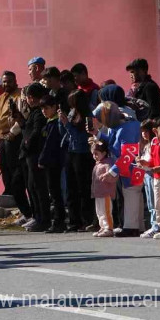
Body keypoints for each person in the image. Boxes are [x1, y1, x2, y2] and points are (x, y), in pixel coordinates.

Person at [91, 101, 142, 237]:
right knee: (133, 194)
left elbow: (128, 153)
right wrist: (98, 134)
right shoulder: (121, 125)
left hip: (134, 167)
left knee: (131, 193)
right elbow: (115, 142)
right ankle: (136, 225)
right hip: (129, 167)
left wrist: (113, 171)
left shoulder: (127, 128)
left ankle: (132, 227)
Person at [0, 71, 33, 225]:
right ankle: (23, 210)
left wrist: (12, 133)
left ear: (15, 81)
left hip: (14, 138)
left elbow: (22, 116)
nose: (6, 84)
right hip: (4, 138)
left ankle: (28, 211)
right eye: (4, 81)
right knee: (6, 171)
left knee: (17, 174)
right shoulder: (3, 97)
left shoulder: (20, 95)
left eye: (9, 81)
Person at [15, 83, 50, 232]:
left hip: (35, 154)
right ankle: (37, 216)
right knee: (31, 186)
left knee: (38, 187)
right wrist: (21, 121)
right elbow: (27, 129)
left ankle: (43, 219)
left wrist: (28, 143)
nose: (27, 100)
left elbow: (35, 132)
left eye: (29, 97)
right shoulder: (33, 112)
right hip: (29, 155)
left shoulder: (38, 113)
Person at [60, 90, 95, 232]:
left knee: (83, 188)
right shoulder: (72, 113)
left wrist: (67, 124)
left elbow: (81, 138)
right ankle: (74, 221)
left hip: (82, 154)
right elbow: (65, 133)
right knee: (70, 188)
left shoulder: (87, 116)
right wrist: (61, 122)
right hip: (70, 152)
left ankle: (86, 219)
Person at [38, 95, 66, 233]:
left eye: (47, 108)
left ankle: (58, 221)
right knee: (53, 192)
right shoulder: (49, 122)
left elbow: (50, 145)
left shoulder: (55, 123)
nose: (44, 111)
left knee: (55, 193)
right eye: (42, 108)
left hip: (53, 162)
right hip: (51, 161)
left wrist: (42, 160)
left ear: (54, 107)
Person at [90, 141, 118, 237]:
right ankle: (102, 227)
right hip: (98, 193)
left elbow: (114, 177)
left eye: (96, 153)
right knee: (99, 211)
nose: (94, 156)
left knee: (106, 211)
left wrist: (108, 177)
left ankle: (109, 228)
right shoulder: (98, 164)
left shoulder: (108, 164)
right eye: (93, 153)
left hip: (106, 193)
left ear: (104, 153)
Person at [138, 119, 160, 239]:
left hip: (152, 174)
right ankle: (153, 224)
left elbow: (153, 161)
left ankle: (156, 225)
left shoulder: (153, 144)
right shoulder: (146, 145)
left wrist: (145, 162)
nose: (144, 134)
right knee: (150, 201)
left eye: (146, 131)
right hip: (146, 174)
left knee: (154, 201)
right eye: (142, 132)